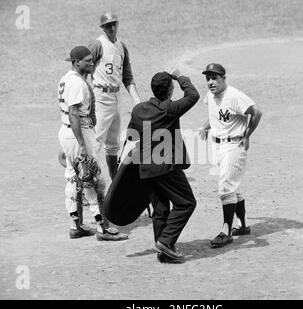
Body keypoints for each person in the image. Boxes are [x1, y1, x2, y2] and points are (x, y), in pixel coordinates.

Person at [127, 69, 200, 263]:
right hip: (165, 167)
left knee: (160, 209)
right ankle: (166, 242)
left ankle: (164, 251)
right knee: (186, 202)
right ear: (169, 91)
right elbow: (193, 95)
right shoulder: (169, 108)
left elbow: (130, 135)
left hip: (145, 168)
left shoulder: (138, 110)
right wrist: (180, 77)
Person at [57, 45, 128, 241]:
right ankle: (103, 228)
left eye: (92, 60)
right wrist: (80, 143)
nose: (92, 63)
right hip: (78, 134)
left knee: (73, 178)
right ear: (76, 62)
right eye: (87, 61)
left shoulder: (66, 79)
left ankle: (76, 225)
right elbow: (73, 114)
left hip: (68, 133)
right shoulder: (77, 84)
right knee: (94, 181)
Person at [198, 63, 263, 248]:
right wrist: (205, 126)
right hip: (218, 146)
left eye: (214, 78)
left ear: (223, 79)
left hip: (234, 145)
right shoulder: (210, 96)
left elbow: (257, 112)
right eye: (208, 79)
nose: (210, 82)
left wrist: (247, 135)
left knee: (225, 188)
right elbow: (215, 116)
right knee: (233, 186)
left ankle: (226, 231)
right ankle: (242, 225)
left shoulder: (234, 96)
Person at [88, 12, 141, 180]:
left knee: (113, 145)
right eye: (107, 25)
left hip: (116, 98)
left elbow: (127, 77)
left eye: (114, 24)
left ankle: (114, 183)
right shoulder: (97, 45)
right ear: (102, 27)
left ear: (117, 24)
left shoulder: (121, 46)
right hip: (101, 98)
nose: (111, 28)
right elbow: (84, 69)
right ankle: (88, 183)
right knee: (94, 142)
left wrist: (137, 102)